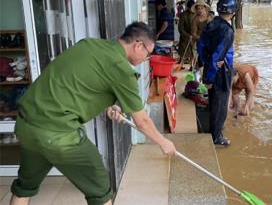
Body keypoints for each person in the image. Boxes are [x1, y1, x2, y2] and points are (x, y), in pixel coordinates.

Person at [9, 22, 176, 205]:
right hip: (58, 134)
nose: (146, 58)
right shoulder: (121, 69)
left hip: (27, 125)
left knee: (24, 188)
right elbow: (142, 121)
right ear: (138, 45)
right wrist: (163, 142)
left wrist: (111, 107)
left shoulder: (89, 44)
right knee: (101, 192)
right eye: (147, 53)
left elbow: (80, 83)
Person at [197, 0, 238, 147]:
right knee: (220, 105)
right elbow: (218, 56)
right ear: (233, 13)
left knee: (214, 101)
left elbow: (200, 46)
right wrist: (209, 78)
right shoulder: (228, 31)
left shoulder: (211, 23)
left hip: (211, 68)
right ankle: (216, 137)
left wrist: (206, 65)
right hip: (220, 71)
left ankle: (213, 131)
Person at [191, 0, 210, 71]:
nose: (200, 10)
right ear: (196, 10)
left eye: (201, 8)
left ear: (205, 8)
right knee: (199, 61)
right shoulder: (195, 19)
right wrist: (202, 39)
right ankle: (198, 77)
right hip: (200, 42)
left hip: (210, 43)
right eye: (198, 8)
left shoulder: (210, 17)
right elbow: (193, 34)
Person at [177, 0, 195, 64]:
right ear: (188, 7)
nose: (191, 10)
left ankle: (192, 66)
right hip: (185, 38)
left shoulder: (197, 14)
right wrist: (187, 35)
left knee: (193, 53)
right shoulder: (183, 15)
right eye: (190, 8)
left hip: (194, 38)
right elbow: (180, 28)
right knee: (183, 53)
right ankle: (181, 63)